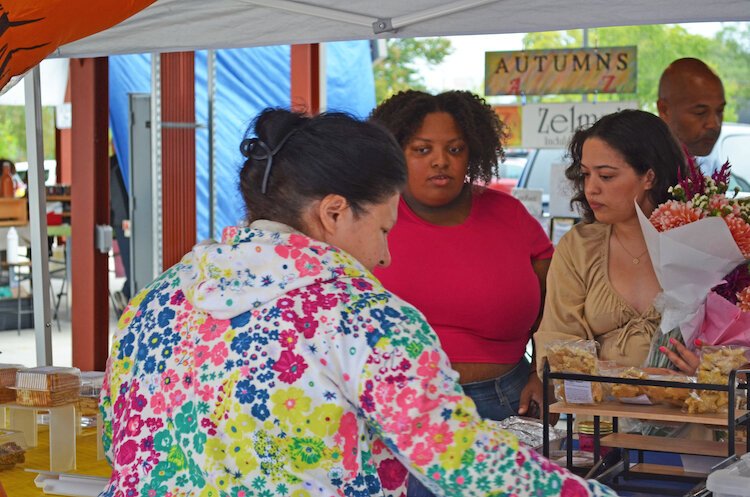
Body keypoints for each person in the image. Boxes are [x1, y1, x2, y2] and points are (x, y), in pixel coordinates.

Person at [100, 108, 615, 497]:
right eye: (384, 228)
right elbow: (460, 460)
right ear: (334, 212)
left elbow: (114, 437)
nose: (386, 255)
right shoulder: (361, 316)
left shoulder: (158, 297)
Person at [369, 90, 554, 496]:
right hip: (403, 413)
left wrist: (542, 372)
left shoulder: (510, 215)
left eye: (455, 148)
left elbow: (558, 309)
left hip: (508, 407)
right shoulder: (369, 220)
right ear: (395, 152)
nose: (441, 160)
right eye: (422, 149)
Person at [534, 109, 699, 376]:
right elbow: (557, 349)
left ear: (649, 176)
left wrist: (711, 369)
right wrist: (630, 379)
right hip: (602, 416)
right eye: (586, 174)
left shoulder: (702, 245)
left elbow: (731, 350)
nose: (591, 188)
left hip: (691, 412)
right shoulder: (578, 247)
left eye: (606, 176)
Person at [657, 57, 725, 158]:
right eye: (700, 112)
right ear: (664, 110)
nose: (714, 124)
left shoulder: (705, 164)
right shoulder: (640, 169)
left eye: (719, 111)